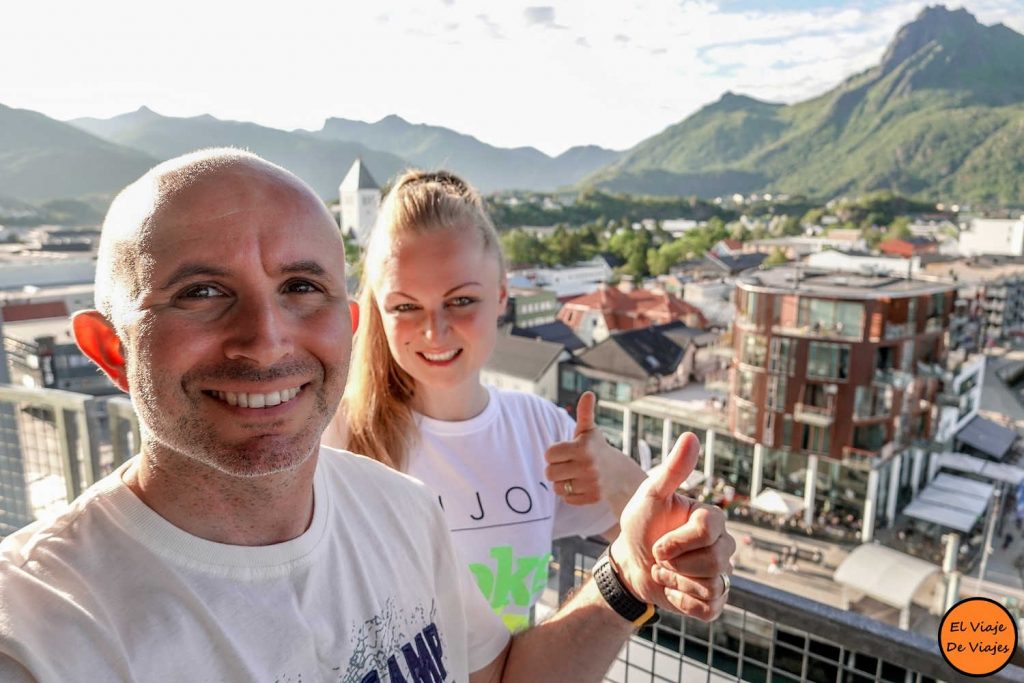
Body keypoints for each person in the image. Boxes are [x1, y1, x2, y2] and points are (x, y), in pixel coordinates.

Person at [0, 149, 735, 682]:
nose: (266, 338)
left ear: (344, 323)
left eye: (299, 285)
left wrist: (629, 576)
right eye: (200, 291)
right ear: (110, 347)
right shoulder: (44, 633)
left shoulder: (402, 513)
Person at [323, 169, 648, 630]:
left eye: (460, 301)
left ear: (501, 297)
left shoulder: (542, 431)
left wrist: (622, 478)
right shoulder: (338, 440)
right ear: (380, 309)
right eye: (406, 306)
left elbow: (669, 555)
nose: (434, 331)